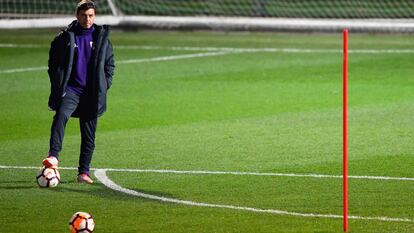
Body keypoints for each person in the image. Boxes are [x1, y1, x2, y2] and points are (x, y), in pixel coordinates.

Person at [42, 0, 115, 184]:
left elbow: (109, 64)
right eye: (83, 15)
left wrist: (104, 84)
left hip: (92, 93)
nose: (87, 19)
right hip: (72, 90)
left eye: (90, 15)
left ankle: (83, 173)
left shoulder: (101, 37)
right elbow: (53, 62)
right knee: (60, 116)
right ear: (77, 15)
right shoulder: (66, 37)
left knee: (89, 134)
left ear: (95, 16)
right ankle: (53, 156)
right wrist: (58, 82)